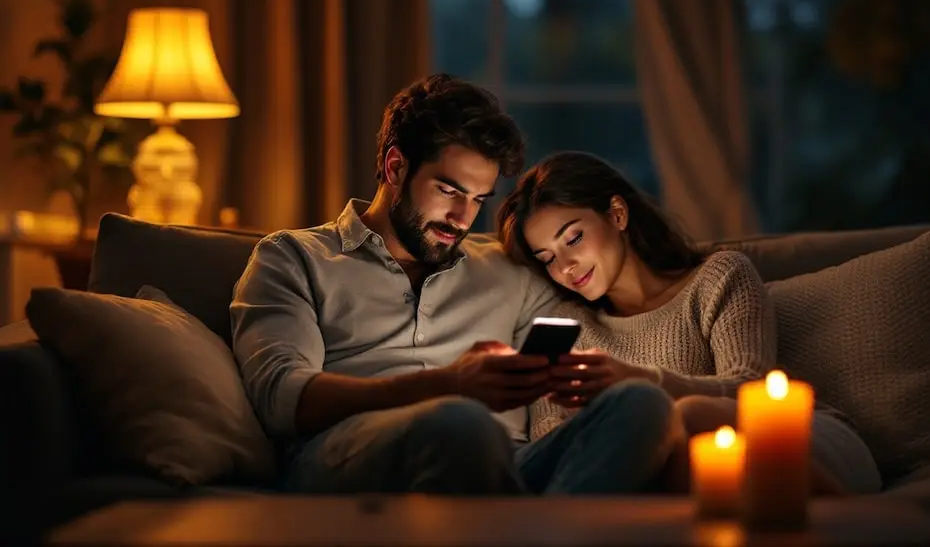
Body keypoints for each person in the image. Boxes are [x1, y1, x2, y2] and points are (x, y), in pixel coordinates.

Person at [229, 74, 683, 495]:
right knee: (461, 423)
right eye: (449, 191)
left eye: (478, 199)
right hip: (350, 453)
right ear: (394, 167)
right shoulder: (292, 258)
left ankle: (543, 529)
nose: (462, 219)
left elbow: (608, 309)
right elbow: (281, 397)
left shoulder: (509, 270)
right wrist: (451, 385)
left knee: (643, 405)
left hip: (513, 461)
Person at [496, 150, 883, 495]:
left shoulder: (718, 278)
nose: (564, 266)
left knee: (690, 416)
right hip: (672, 476)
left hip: (788, 439)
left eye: (574, 238)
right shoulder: (566, 324)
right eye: (547, 258)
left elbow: (752, 387)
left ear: (617, 214)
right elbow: (551, 440)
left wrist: (639, 380)